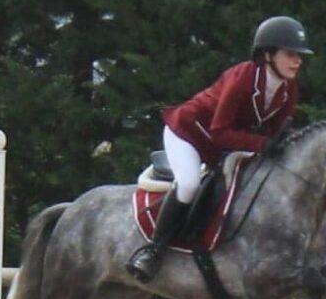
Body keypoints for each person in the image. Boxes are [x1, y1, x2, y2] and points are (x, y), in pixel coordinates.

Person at [126, 15, 313, 282]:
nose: (298, 61)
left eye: (299, 55)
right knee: (189, 184)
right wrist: (262, 144)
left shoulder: (287, 90)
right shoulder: (242, 78)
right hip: (189, 133)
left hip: (222, 145)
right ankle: (153, 251)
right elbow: (220, 131)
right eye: (290, 54)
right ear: (268, 54)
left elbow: (275, 133)